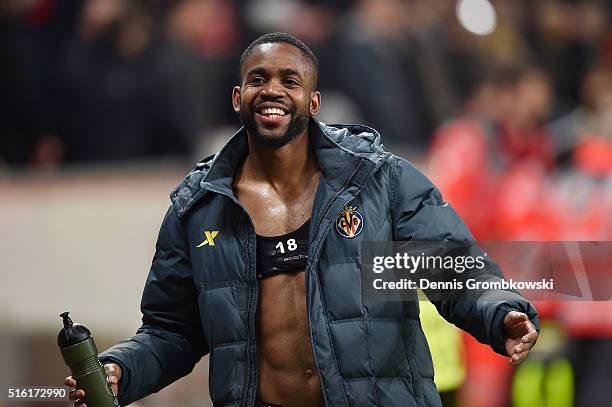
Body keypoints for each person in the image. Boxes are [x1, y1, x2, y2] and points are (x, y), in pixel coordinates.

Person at [64, 32, 540, 407]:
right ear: (237, 97)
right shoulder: (197, 207)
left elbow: (451, 266)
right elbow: (172, 330)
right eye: (258, 79)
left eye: (290, 81)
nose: (272, 90)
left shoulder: (380, 181)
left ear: (313, 103)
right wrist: (122, 370)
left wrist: (499, 312)